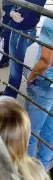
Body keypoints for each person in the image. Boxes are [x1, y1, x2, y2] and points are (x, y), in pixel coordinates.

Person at [0, 0, 48, 98]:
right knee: (14, 63)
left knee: (16, 65)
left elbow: (23, 14)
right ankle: (9, 91)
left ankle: (10, 95)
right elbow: (16, 4)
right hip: (17, 28)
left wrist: (14, 14)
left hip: (22, 31)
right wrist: (12, 12)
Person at [25, 13, 53, 171]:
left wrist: (31, 76)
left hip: (44, 83)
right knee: (50, 131)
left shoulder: (51, 20)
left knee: (31, 132)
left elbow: (46, 61)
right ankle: (42, 172)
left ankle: (27, 175)